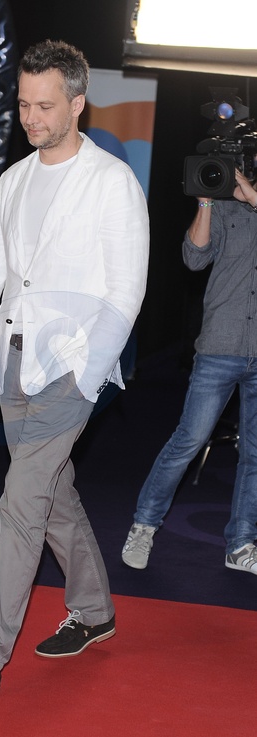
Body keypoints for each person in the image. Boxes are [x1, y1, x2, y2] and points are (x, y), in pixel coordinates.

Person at [0, 39, 149, 705]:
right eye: (23, 103)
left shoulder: (112, 181)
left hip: (72, 365)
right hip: (14, 361)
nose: (30, 116)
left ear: (77, 103)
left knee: (20, 503)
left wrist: (86, 374)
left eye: (44, 105)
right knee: (52, 495)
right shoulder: (13, 181)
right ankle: (94, 610)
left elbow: (125, 291)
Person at [122, 168, 257, 576]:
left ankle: (241, 544)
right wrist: (207, 200)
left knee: (255, 453)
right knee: (189, 440)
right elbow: (194, 258)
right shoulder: (226, 209)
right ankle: (144, 526)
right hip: (220, 346)